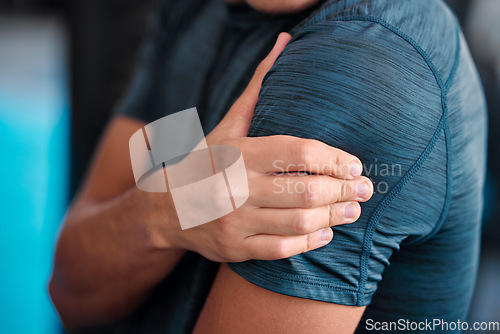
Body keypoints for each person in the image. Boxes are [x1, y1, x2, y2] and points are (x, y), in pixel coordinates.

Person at [49, 0, 487, 333]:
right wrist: (167, 209)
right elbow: (70, 288)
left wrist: (162, 209)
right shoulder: (199, 13)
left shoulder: (356, 61)